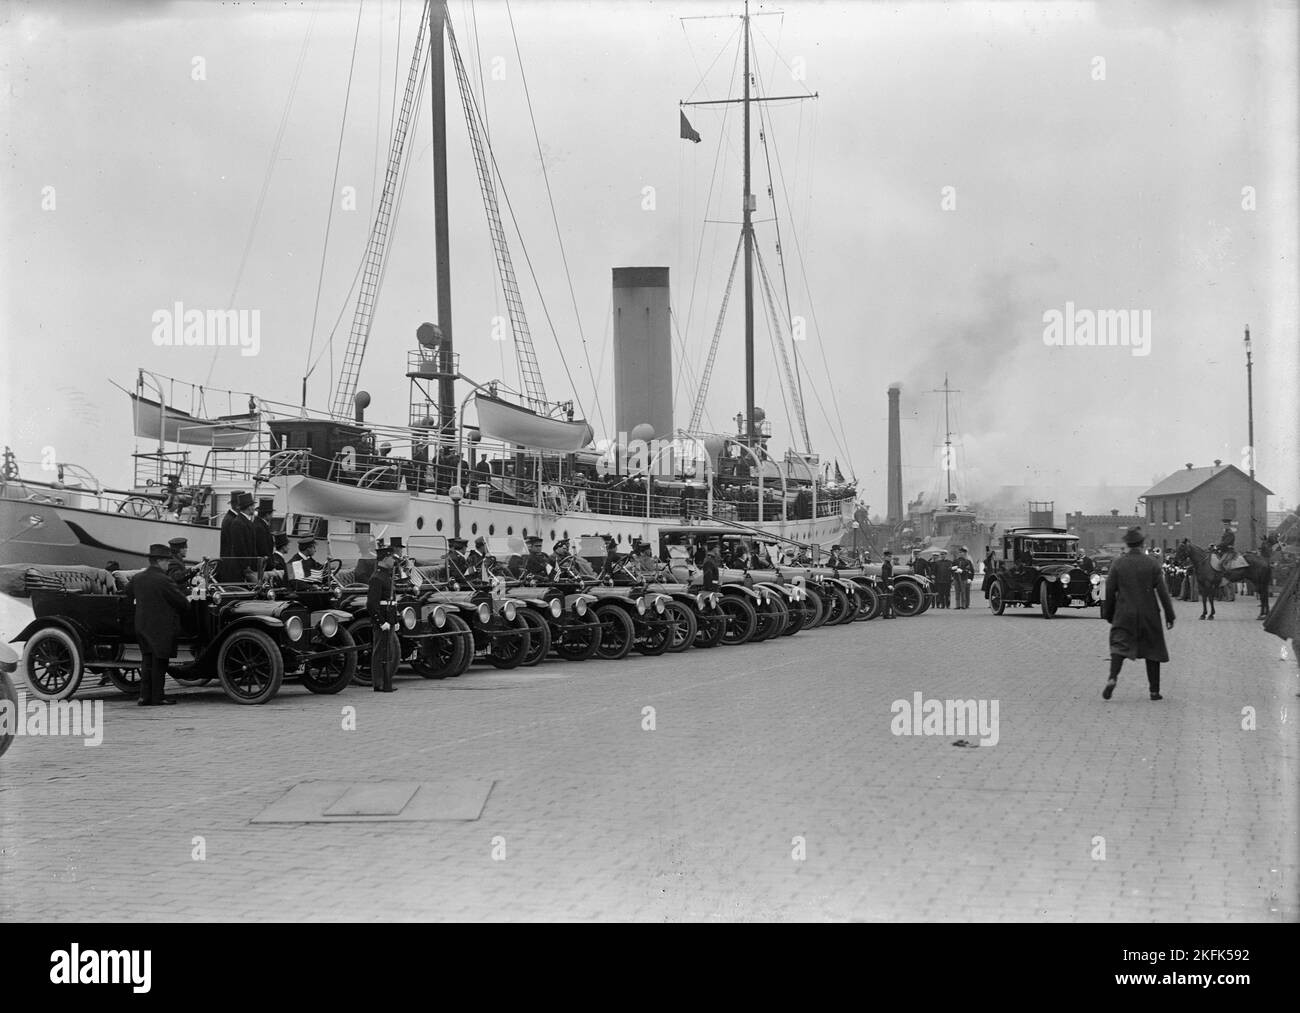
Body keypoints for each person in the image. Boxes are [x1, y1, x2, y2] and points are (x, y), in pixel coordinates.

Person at [1101, 526, 1175, 701]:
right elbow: (1163, 593)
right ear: (1142, 544)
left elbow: (1110, 591)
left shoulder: (1118, 563)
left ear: (1127, 544)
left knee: (1119, 646)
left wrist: (1109, 613)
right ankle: (1154, 691)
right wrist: (1170, 615)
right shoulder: (1152, 563)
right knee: (1153, 651)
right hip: (1149, 614)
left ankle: (1112, 677)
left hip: (1124, 613)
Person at [128, 543, 191, 706]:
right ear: (161, 561)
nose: (168, 564)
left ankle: (144, 697)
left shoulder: (138, 578)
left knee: (147, 660)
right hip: (161, 627)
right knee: (160, 662)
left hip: (141, 625)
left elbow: (126, 594)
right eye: (167, 562)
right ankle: (158, 697)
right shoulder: (164, 580)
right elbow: (183, 603)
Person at [367, 544, 399, 692]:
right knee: (380, 651)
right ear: (385, 557)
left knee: (389, 651)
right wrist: (381, 622)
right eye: (392, 557)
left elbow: (392, 601)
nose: (394, 560)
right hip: (383, 620)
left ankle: (387, 680)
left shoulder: (387, 575)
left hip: (389, 618)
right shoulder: (377, 577)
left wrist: (395, 620)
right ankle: (378, 683)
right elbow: (372, 604)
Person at [217, 491, 256, 582]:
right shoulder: (234, 521)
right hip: (234, 566)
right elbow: (239, 546)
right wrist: (246, 566)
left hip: (235, 564)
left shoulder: (234, 519)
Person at [879, 549, 895, 618]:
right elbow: (884, 576)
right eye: (889, 556)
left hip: (890, 582)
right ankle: (885, 614)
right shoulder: (885, 565)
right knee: (887, 599)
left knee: (889, 599)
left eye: (890, 556)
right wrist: (888, 585)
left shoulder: (888, 564)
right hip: (888, 583)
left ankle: (887, 613)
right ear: (885, 557)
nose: (890, 558)